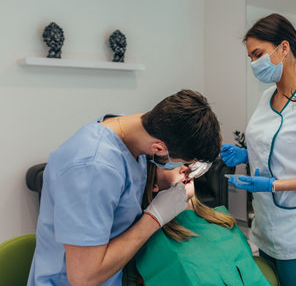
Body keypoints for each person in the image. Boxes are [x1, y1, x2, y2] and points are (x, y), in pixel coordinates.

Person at [27, 89, 222, 286]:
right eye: (183, 163)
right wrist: (156, 217)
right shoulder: (93, 168)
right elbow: (84, 278)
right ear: (159, 149)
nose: (184, 169)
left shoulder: (132, 130)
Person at [220, 13, 296, 286]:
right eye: (251, 58)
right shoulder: (267, 97)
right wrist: (247, 155)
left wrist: (275, 185)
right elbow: (273, 148)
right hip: (265, 226)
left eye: (258, 54)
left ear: (284, 48)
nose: (254, 63)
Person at [134, 163, 272, 286]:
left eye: (185, 162)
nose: (184, 169)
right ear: (154, 184)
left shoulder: (223, 220)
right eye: (170, 165)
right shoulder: (154, 241)